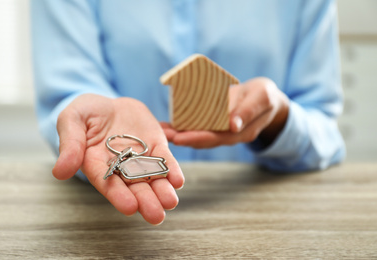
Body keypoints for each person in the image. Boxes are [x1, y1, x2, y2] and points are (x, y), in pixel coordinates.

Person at [31, 0, 346, 225]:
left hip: (258, 221)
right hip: (107, 223)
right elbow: (69, 93)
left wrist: (278, 119)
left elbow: (324, 130)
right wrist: (87, 120)